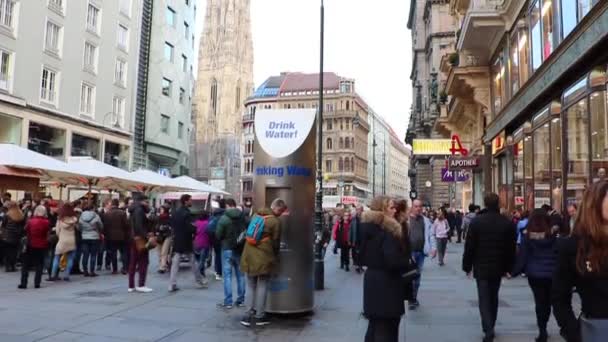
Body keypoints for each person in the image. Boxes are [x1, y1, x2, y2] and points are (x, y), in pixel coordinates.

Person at [552, 181, 608, 342]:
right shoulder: (574, 246)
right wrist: (574, 333)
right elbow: (559, 297)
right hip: (597, 329)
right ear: (595, 203)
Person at [462, 193, 517, 342]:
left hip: (481, 266)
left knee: (484, 297)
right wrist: (509, 268)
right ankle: (491, 324)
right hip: (498, 266)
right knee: (494, 296)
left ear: (485, 204)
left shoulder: (477, 222)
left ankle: (488, 328)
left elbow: (470, 246)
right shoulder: (506, 223)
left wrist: (467, 266)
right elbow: (511, 248)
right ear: (498, 204)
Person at [360, 196, 413, 342]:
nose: (394, 210)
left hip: (372, 280)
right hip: (387, 283)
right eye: (391, 207)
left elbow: (360, 254)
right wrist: (405, 262)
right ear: (382, 210)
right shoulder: (388, 230)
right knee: (387, 327)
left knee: (374, 324)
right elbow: (393, 261)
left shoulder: (367, 227)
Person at [511, 209, 558, 342]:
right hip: (551, 273)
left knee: (539, 301)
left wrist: (513, 272)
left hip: (535, 274)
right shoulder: (553, 236)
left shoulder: (527, 237)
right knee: (548, 302)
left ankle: (542, 329)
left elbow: (523, 257)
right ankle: (545, 323)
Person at [240, 198, 286, 327]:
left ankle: (247, 315)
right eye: (281, 211)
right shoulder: (275, 222)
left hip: (248, 255)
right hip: (264, 256)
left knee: (250, 285)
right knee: (262, 285)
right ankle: (260, 316)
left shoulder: (256, 215)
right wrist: (275, 256)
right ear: (277, 208)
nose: (281, 214)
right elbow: (276, 242)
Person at [168, 194, 205, 292]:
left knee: (175, 262)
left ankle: (172, 284)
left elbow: (172, 225)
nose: (191, 202)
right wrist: (195, 230)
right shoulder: (187, 213)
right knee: (193, 261)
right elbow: (189, 227)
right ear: (186, 201)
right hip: (186, 240)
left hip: (177, 239)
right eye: (190, 200)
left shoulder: (175, 212)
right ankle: (198, 281)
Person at [216, 198, 246, 309]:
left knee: (227, 276)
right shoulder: (243, 216)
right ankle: (241, 300)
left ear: (228, 205)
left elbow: (218, 235)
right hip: (240, 249)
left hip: (227, 249)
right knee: (241, 276)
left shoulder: (224, 218)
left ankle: (228, 301)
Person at [407, 199, 436, 310]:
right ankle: (411, 299)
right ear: (412, 207)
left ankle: (413, 298)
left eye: (420, 206)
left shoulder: (426, 220)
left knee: (417, 276)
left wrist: (433, 248)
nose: (418, 208)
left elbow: (431, 235)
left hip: (421, 253)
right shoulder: (406, 220)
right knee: (410, 276)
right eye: (416, 206)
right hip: (410, 253)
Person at [19, 205, 50, 289]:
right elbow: (46, 233)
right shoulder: (46, 222)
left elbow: (26, 231)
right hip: (41, 245)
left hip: (30, 244)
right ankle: (37, 283)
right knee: (39, 264)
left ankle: (23, 283)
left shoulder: (30, 221)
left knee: (25, 265)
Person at [128, 194, 153, 293]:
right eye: (146, 202)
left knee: (133, 262)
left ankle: (131, 285)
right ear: (142, 201)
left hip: (133, 238)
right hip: (140, 239)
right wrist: (147, 235)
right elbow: (139, 226)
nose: (148, 204)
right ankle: (141, 284)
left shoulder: (133, 210)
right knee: (143, 261)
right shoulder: (139, 210)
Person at [49, 203, 78, 281]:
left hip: (62, 240)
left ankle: (53, 274)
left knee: (57, 257)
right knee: (70, 259)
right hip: (71, 240)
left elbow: (57, 232)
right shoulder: (74, 220)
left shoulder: (60, 220)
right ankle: (66, 275)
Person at [102, 199, 130, 275]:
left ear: (112, 205)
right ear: (118, 204)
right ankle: (125, 268)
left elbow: (105, 226)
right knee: (123, 252)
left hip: (110, 237)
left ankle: (114, 269)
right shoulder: (122, 213)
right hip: (122, 236)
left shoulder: (107, 214)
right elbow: (126, 225)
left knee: (113, 253)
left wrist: (105, 235)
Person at [79, 205, 103, 277]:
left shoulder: (81, 216)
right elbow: (101, 226)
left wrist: (83, 231)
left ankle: (85, 271)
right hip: (94, 237)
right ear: (92, 209)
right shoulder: (96, 216)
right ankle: (92, 271)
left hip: (84, 237)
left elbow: (79, 227)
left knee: (85, 255)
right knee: (93, 255)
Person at [0, 201, 25, 272]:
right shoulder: (21, 214)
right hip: (17, 236)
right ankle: (13, 266)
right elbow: (23, 225)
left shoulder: (7, 215)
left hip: (7, 235)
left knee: (7, 251)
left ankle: (8, 267)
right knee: (14, 251)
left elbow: (3, 225)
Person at [208, 198, 226, 281]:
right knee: (223, 255)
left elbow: (208, 228)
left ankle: (217, 271)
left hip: (215, 238)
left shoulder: (213, 215)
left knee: (217, 255)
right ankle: (221, 271)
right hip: (224, 238)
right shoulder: (226, 216)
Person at [193, 211, 211, 284]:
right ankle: (200, 274)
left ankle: (202, 272)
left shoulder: (195, 223)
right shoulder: (208, 223)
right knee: (202, 260)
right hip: (205, 243)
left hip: (196, 243)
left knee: (198, 259)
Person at [155, 205, 172, 274]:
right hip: (159, 236)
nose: (160, 210)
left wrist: (164, 227)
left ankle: (162, 267)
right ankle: (163, 264)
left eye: (162, 209)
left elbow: (171, 226)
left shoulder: (169, 218)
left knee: (164, 252)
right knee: (159, 252)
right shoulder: (158, 217)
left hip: (167, 236)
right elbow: (155, 226)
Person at [350, 205, 364, 273]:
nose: (358, 211)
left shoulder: (365, 218)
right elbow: (351, 229)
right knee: (356, 253)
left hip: (363, 239)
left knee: (361, 253)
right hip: (356, 238)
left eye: (360, 209)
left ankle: (360, 266)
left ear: (362, 210)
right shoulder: (354, 219)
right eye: (357, 209)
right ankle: (358, 266)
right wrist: (350, 239)